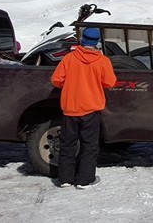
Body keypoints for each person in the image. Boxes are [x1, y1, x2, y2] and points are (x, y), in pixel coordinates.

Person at [50, 26, 117, 189]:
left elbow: (56, 80)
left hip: (71, 108)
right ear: (97, 42)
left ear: (82, 40)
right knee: (89, 145)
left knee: (67, 144)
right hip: (91, 109)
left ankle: (65, 179)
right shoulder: (102, 61)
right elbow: (110, 82)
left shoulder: (69, 58)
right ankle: (85, 180)